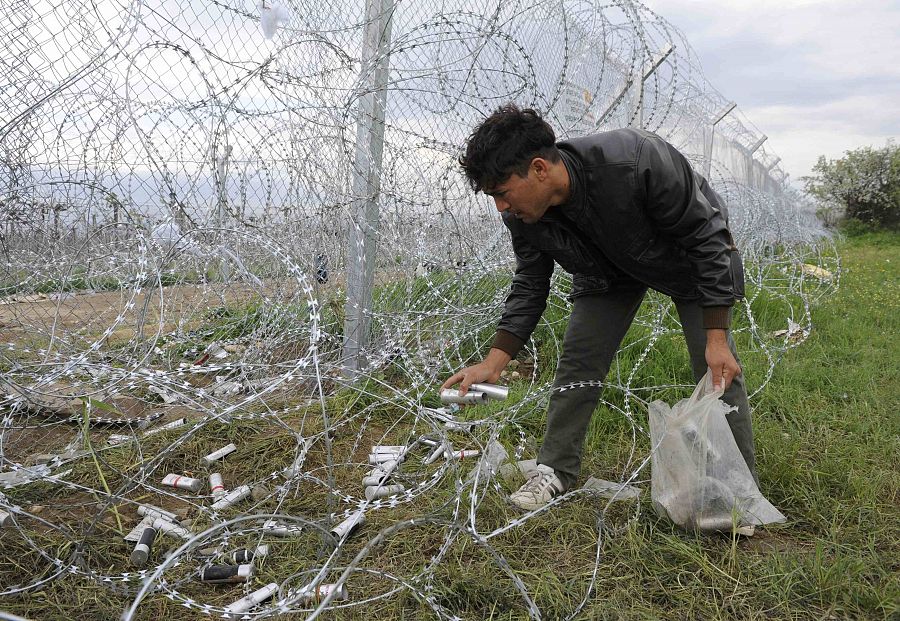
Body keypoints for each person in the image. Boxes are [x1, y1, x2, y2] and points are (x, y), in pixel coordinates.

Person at [441, 104, 757, 511]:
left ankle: (738, 490)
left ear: (539, 169)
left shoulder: (637, 160)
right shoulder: (524, 216)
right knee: (578, 362)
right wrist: (495, 361)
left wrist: (716, 336)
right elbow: (530, 282)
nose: (501, 207)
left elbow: (708, 239)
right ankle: (554, 470)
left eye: (502, 193)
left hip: (686, 262)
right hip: (606, 274)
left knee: (716, 370)